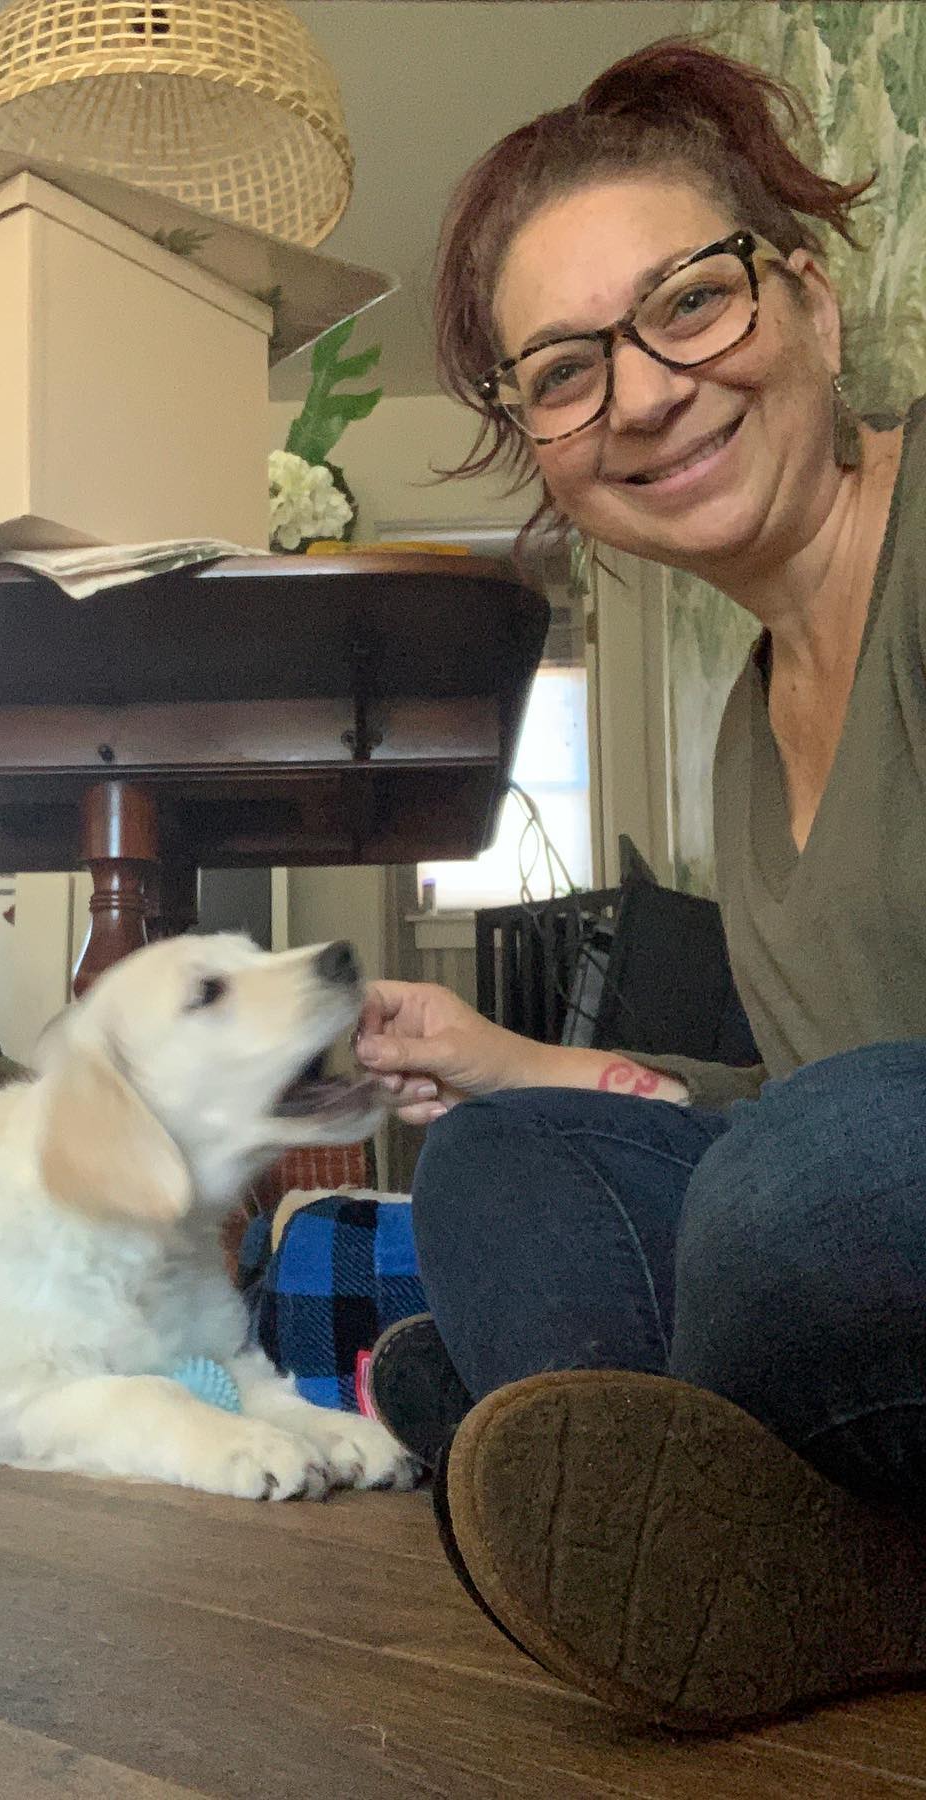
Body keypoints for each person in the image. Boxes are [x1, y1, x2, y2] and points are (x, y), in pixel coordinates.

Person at [354, 38, 926, 1731]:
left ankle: (636, 1479)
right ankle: (761, 1529)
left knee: (805, 1183)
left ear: (809, 301)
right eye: (564, 372)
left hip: (869, 1198)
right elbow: (801, 1086)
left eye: (690, 303)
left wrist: (795, 1173)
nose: (646, 395)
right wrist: (514, 1064)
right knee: (500, 1166)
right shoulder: (748, 729)